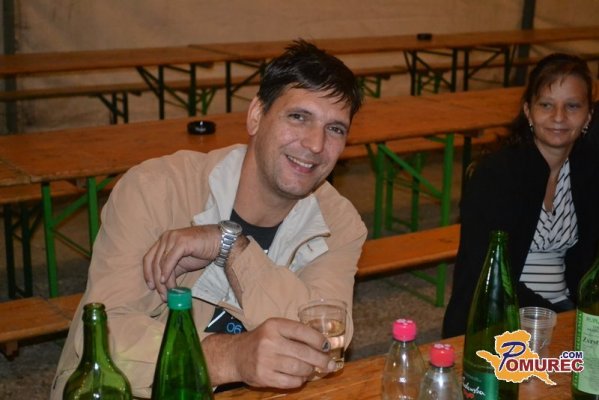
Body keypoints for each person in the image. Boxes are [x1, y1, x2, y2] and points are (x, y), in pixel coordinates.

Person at [51, 40, 366, 398]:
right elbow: (103, 340)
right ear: (256, 116)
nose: (315, 144)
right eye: (299, 117)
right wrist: (228, 357)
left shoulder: (339, 222)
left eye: (335, 129)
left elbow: (322, 345)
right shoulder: (155, 190)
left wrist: (229, 246)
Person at [443, 53, 599, 338]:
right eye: (546, 105)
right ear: (528, 111)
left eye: (573, 106)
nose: (559, 117)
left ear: (588, 115)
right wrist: (556, 317)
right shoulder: (497, 175)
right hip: (501, 316)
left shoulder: (586, 171)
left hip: (564, 309)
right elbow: (487, 275)